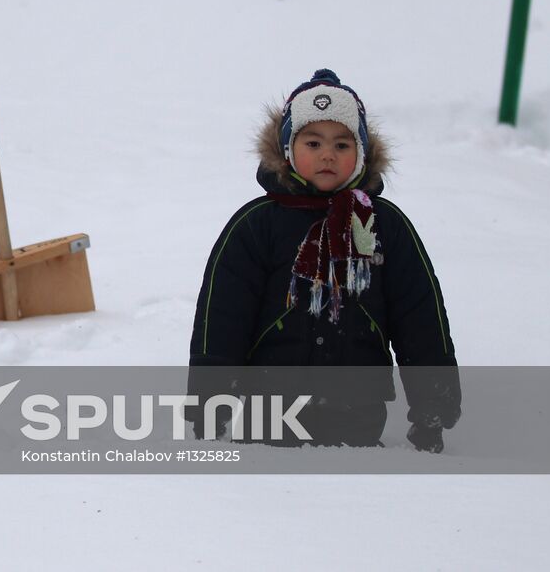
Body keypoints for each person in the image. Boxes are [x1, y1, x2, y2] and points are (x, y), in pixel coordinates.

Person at [188, 69, 460, 450]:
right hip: (268, 414)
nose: (328, 155)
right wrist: (210, 403)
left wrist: (433, 405)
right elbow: (223, 319)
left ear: (361, 154)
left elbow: (420, 316)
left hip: (357, 412)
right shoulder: (256, 225)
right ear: (287, 150)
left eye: (342, 145)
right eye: (313, 143)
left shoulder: (383, 225)